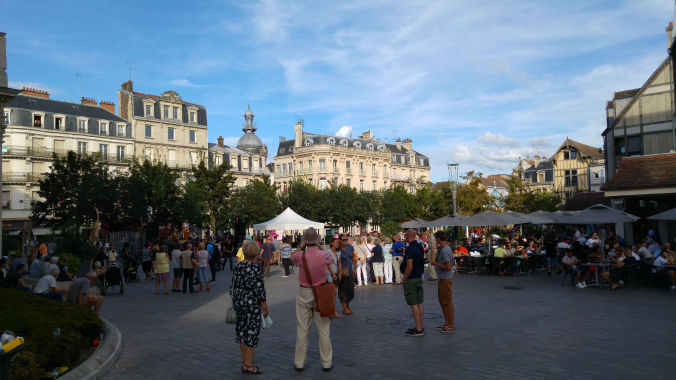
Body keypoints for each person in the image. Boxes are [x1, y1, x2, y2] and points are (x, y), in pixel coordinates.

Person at [292, 228, 333, 372]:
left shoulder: (300, 256)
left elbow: (293, 257)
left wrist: (300, 246)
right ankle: (326, 362)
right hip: (320, 292)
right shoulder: (323, 254)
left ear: (304, 241)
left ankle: (299, 362)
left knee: (302, 330)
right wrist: (319, 245)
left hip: (304, 292)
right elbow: (330, 259)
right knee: (323, 330)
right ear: (316, 240)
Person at [232, 241, 268, 375]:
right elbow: (259, 289)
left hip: (239, 301)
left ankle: (244, 362)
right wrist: (264, 306)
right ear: (257, 253)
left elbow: (233, 284)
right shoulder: (256, 268)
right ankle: (248, 364)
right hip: (251, 303)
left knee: (242, 331)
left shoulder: (239, 266)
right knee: (252, 332)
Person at [402, 229, 425, 336]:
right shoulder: (419, 246)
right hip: (419, 276)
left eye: (405, 235)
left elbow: (409, 266)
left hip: (411, 278)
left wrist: (405, 277)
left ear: (408, 236)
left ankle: (418, 329)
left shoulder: (410, 248)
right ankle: (420, 326)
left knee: (413, 304)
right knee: (419, 303)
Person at [431, 231, 455, 333]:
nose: (435, 241)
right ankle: (447, 322)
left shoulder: (445, 250)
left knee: (447, 302)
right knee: (443, 301)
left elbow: (448, 267)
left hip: (445, 278)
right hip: (443, 278)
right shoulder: (446, 248)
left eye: (435, 238)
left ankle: (450, 324)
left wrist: (436, 264)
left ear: (438, 238)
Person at [337, 234, 355, 315]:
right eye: (343, 240)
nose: (345, 241)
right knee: (342, 289)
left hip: (350, 269)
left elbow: (353, 256)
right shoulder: (337, 248)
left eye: (346, 239)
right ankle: (345, 308)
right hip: (342, 270)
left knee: (351, 289)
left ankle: (348, 305)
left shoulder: (349, 247)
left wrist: (354, 267)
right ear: (340, 240)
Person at [327, 237, 342, 318]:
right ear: (332, 243)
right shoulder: (328, 252)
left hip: (336, 272)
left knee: (334, 293)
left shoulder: (338, 252)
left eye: (338, 243)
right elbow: (327, 264)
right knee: (333, 292)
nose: (337, 244)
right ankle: (333, 311)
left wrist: (340, 272)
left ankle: (332, 310)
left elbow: (339, 262)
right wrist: (332, 273)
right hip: (329, 273)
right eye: (336, 242)